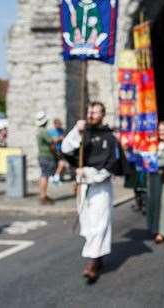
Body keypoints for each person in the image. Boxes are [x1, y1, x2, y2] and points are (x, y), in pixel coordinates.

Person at [61, 101, 118, 283]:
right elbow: (66, 149)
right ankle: (98, 257)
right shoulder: (83, 132)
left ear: (103, 114)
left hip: (100, 188)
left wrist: (88, 173)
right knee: (87, 224)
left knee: (99, 223)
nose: (92, 114)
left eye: (96, 112)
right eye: (90, 111)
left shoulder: (109, 137)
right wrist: (75, 131)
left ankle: (92, 263)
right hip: (83, 185)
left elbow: (111, 165)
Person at [36, 112, 56, 205]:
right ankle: (43, 196)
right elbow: (51, 142)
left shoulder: (39, 131)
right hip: (46, 156)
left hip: (42, 155)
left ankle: (43, 195)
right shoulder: (43, 131)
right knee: (45, 176)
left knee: (43, 175)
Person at [47, 118, 66, 184]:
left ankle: (57, 176)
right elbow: (52, 141)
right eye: (58, 124)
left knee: (62, 163)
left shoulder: (62, 130)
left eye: (60, 124)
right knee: (53, 164)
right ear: (55, 124)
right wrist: (59, 139)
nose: (59, 126)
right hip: (53, 150)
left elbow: (64, 138)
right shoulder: (51, 131)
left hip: (60, 150)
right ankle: (53, 177)